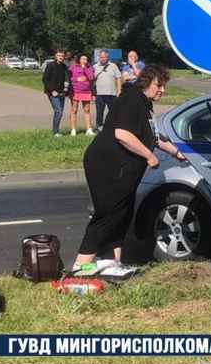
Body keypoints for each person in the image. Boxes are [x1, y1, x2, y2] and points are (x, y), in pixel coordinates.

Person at [72, 65, 186, 278]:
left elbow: (153, 135)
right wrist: (149, 156)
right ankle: (80, 268)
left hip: (123, 167)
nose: (162, 90)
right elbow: (122, 134)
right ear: (146, 83)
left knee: (122, 214)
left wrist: (176, 152)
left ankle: (111, 264)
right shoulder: (132, 100)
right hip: (109, 165)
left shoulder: (144, 104)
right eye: (159, 85)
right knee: (108, 213)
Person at [42, 50, 70, 137]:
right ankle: (55, 132)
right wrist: (52, 91)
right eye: (59, 56)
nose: (61, 57)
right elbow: (45, 79)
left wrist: (66, 89)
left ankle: (56, 130)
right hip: (52, 93)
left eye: (62, 56)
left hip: (62, 92)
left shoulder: (64, 66)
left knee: (59, 112)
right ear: (55, 56)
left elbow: (67, 78)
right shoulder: (50, 65)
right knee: (58, 111)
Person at [93, 51, 122, 131]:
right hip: (99, 93)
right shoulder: (95, 66)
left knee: (112, 112)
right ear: (99, 57)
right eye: (101, 57)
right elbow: (92, 80)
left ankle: (112, 126)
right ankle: (99, 127)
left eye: (104, 57)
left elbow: (118, 77)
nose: (103, 59)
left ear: (107, 57)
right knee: (99, 112)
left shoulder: (113, 66)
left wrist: (119, 90)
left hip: (111, 93)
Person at [68, 54, 95, 136]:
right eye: (83, 59)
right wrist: (77, 79)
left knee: (87, 110)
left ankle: (89, 129)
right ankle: (73, 130)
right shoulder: (73, 67)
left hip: (86, 92)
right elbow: (69, 77)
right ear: (79, 59)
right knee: (74, 110)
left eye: (86, 59)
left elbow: (91, 78)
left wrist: (84, 69)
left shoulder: (89, 67)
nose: (84, 60)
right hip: (75, 91)